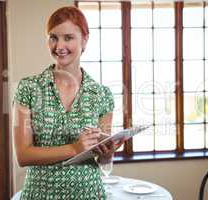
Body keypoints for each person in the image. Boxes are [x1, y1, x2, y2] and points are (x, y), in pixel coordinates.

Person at [13, 6, 125, 200]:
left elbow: (102, 160)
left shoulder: (102, 94)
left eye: (68, 38)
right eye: (53, 37)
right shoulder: (28, 88)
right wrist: (74, 148)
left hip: (89, 194)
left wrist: (107, 153)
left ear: (84, 40)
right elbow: (23, 156)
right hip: (39, 195)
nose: (59, 46)